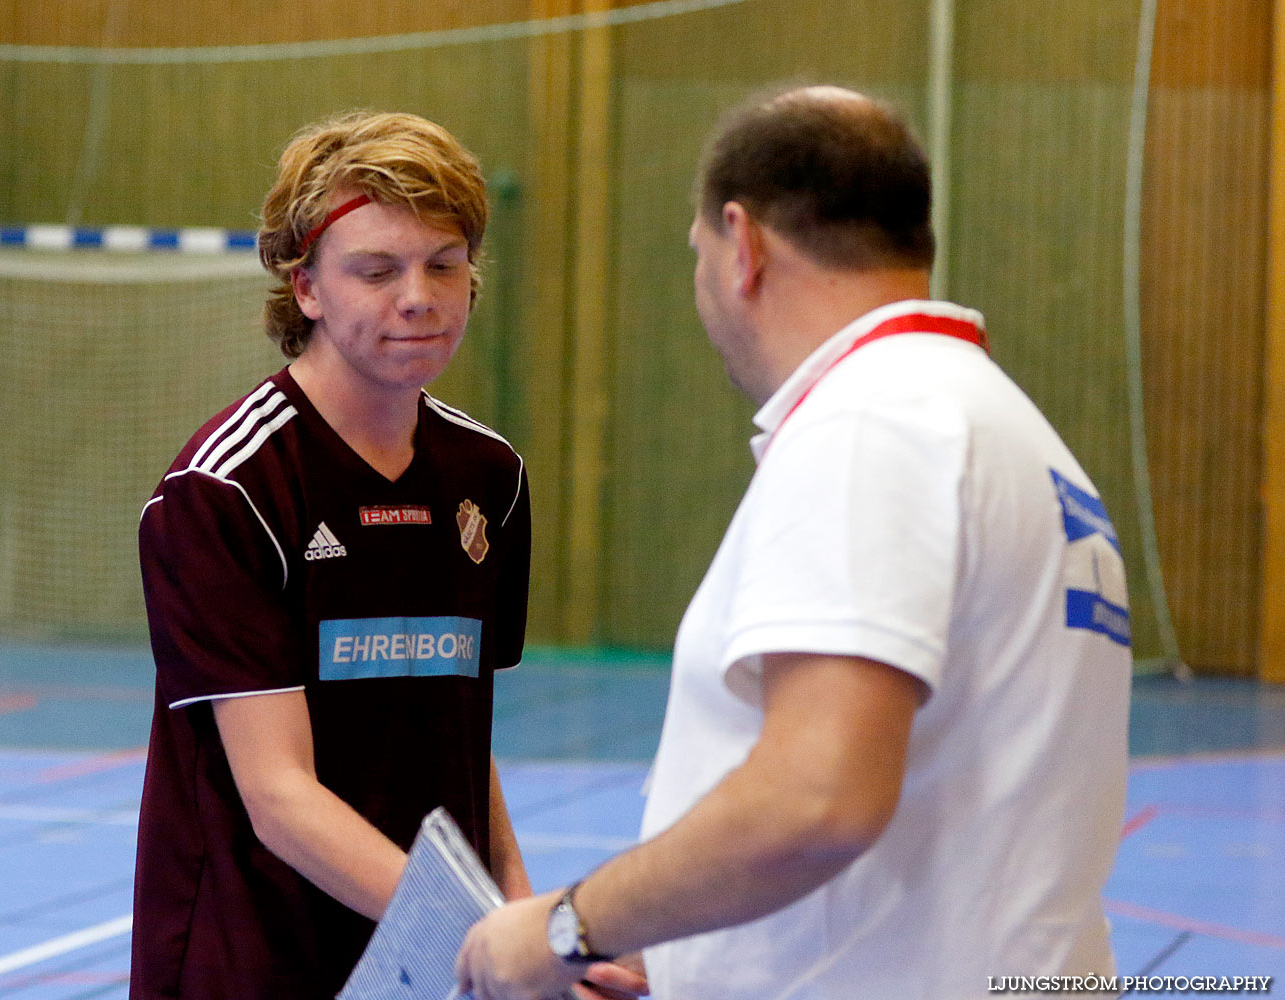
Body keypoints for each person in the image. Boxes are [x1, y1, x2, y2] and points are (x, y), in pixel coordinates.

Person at [455, 84, 1133, 999]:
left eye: (697, 255)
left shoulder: (870, 427)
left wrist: (569, 927)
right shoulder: (1005, 431)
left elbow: (816, 800)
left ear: (744, 244)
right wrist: (678, 948)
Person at [129, 111, 536, 1000]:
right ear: (307, 287)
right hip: (255, 960)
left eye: (445, 263)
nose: (420, 296)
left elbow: (469, 741)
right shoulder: (226, 491)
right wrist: (487, 936)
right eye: (377, 270)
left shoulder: (489, 476)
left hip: (427, 965)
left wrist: (517, 910)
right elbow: (279, 797)